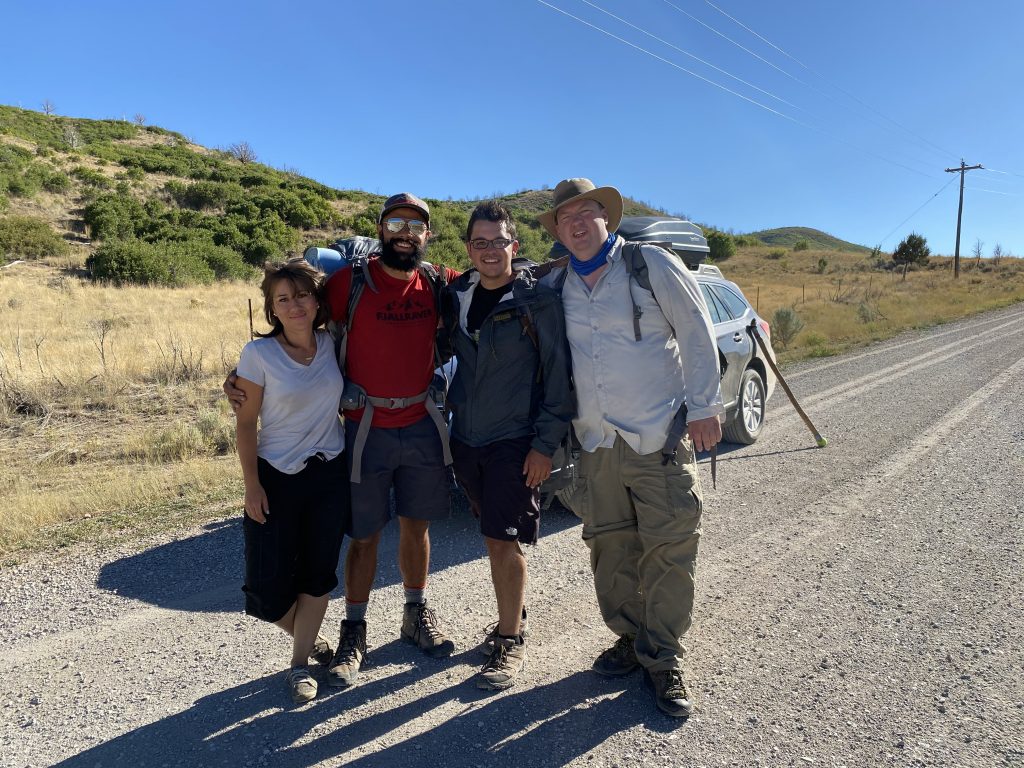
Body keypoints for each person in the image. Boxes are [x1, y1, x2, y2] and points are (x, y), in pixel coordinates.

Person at [537, 178, 725, 717]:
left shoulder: (651, 264)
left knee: (669, 545)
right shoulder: (557, 283)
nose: (576, 224)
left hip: (657, 436)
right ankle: (630, 636)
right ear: (558, 231)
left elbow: (696, 331)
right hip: (596, 441)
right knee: (610, 545)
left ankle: (663, 656)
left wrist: (706, 406)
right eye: (565, 218)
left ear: (607, 216)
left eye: (586, 213)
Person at [441, 201, 574, 690]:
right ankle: (513, 615)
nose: (490, 250)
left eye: (498, 241)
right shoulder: (457, 295)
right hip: (466, 439)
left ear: (514, 246)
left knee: (503, 538)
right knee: (493, 534)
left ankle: (509, 639)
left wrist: (544, 446)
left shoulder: (538, 302)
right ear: (469, 248)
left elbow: (558, 382)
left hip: (515, 440)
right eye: (480, 242)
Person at [234, 259, 349, 704]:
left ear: (316, 301)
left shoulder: (333, 342)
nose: (294, 305)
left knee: (318, 573)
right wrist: (252, 485)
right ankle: (310, 636)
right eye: (283, 298)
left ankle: (300, 664)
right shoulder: (258, 355)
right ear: (272, 308)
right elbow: (246, 424)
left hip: (329, 472)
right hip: (276, 477)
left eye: (302, 295)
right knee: (264, 591)